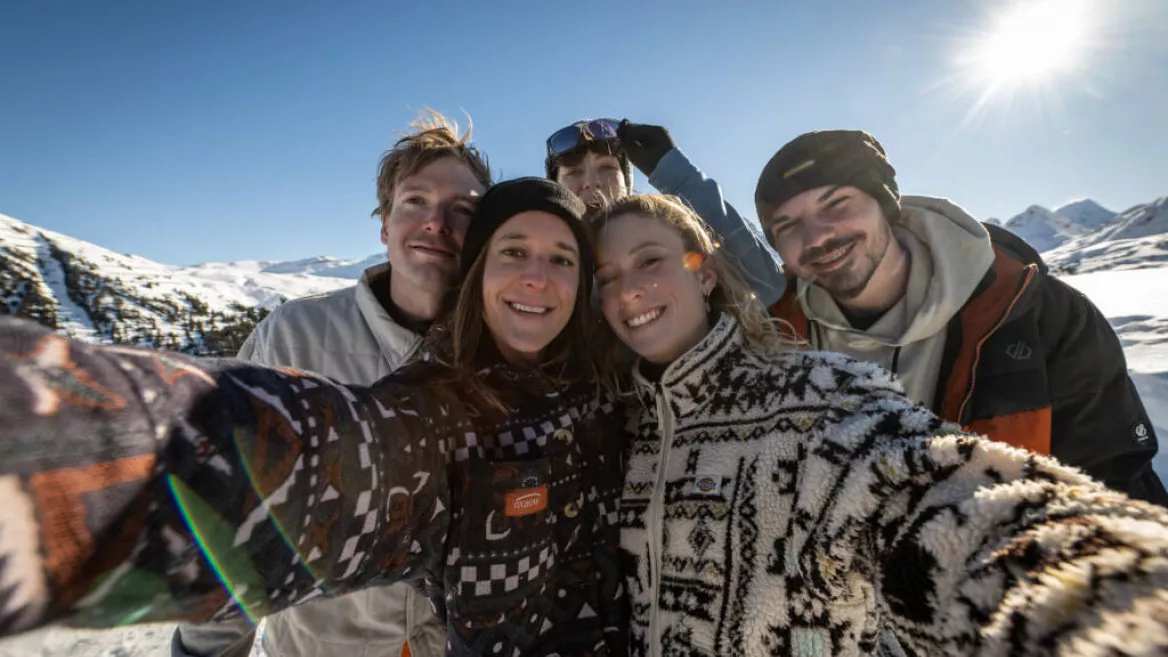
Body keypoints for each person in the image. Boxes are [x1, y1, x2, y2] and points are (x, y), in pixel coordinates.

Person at [0, 178, 627, 657]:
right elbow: (279, 462)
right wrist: (50, 444)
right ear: (479, 272)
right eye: (514, 250)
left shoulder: (615, 384)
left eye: (562, 259)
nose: (538, 278)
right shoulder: (437, 416)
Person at [591, 193, 1168, 656]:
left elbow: (944, 494)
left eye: (649, 261)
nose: (629, 289)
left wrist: (1109, 595)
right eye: (607, 274)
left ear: (706, 273)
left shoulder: (819, 397)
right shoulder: (627, 427)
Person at [173, 110, 492, 657]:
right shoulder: (295, 339)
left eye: (462, 210)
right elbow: (228, 520)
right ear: (384, 223)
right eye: (415, 201)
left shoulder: (501, 353)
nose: (437, 222)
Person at [753, 129, 1167, 505]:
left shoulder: (1035, 313)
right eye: (786, 225)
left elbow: (1114, 485)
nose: (817, 237)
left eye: (836, 203)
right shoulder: (776, 337)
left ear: (884, 205)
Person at [544, 118, 786, 307]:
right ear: (556, 187)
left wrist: (678, 176)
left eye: (606, 167)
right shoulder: (539, 263)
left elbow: (763, 286)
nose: (591, 182)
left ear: (627, 184)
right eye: (573, 172)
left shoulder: (670, 244)